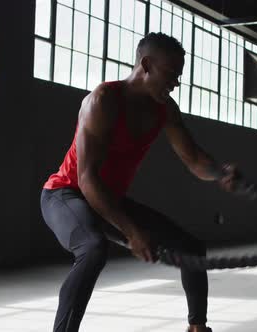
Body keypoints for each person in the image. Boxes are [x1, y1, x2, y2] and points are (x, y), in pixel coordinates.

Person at [40, 32, 240, 332]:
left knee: (191, 248)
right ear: (145, 65)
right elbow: (87, 178)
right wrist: (132, 232)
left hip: (109, 197)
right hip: (66, 194)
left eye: (179, 76)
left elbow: (194, 160)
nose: (176, 83)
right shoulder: (104, 100)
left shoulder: (165, 109)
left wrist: (220, 173)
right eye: (171, 74)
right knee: (93, 247)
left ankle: (198, 328)